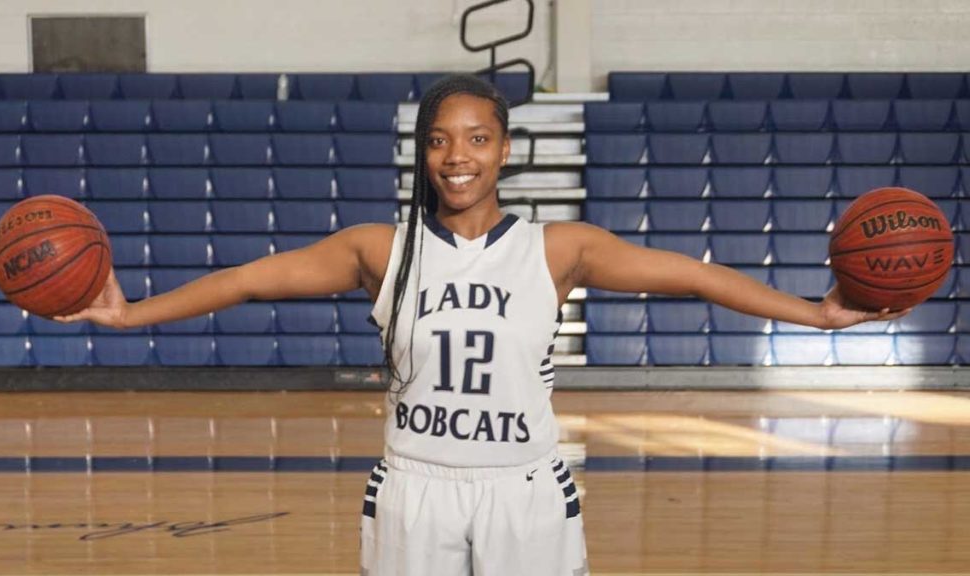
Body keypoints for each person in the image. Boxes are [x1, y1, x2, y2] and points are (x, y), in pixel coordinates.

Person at [56, 74, 908, 575]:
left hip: (524, 490)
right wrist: (130, 313)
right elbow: (246, 280)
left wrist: (816, 314)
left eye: (476, 138)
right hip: (415, 485)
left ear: (505, 149)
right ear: (422, 153)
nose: (456, 156)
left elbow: (691, 276)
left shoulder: (559, 248)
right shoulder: (376, 248)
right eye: (438, 141)